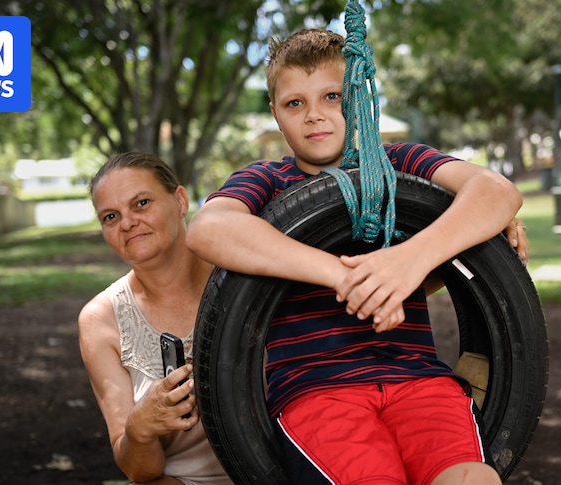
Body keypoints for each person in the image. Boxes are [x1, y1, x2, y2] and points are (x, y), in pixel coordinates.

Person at [186, 29, 527, 485]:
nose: (314, 115)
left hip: (418, 379)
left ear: (359, 98)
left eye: (332, 96)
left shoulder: (399, 164)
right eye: (294, 103)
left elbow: (497, 191)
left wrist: (409, 260)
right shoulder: (267, 180)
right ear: (275, 113)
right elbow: (208, 229)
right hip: (317, 390)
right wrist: (344, 276)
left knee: (473, 479)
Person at [78, 152, 231, 485]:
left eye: (142, 203)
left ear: (180, 201)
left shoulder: (241, 277)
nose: (127, 223)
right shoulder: (100, 319)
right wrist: (140, 428)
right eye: (110, 216)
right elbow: (139, 471)